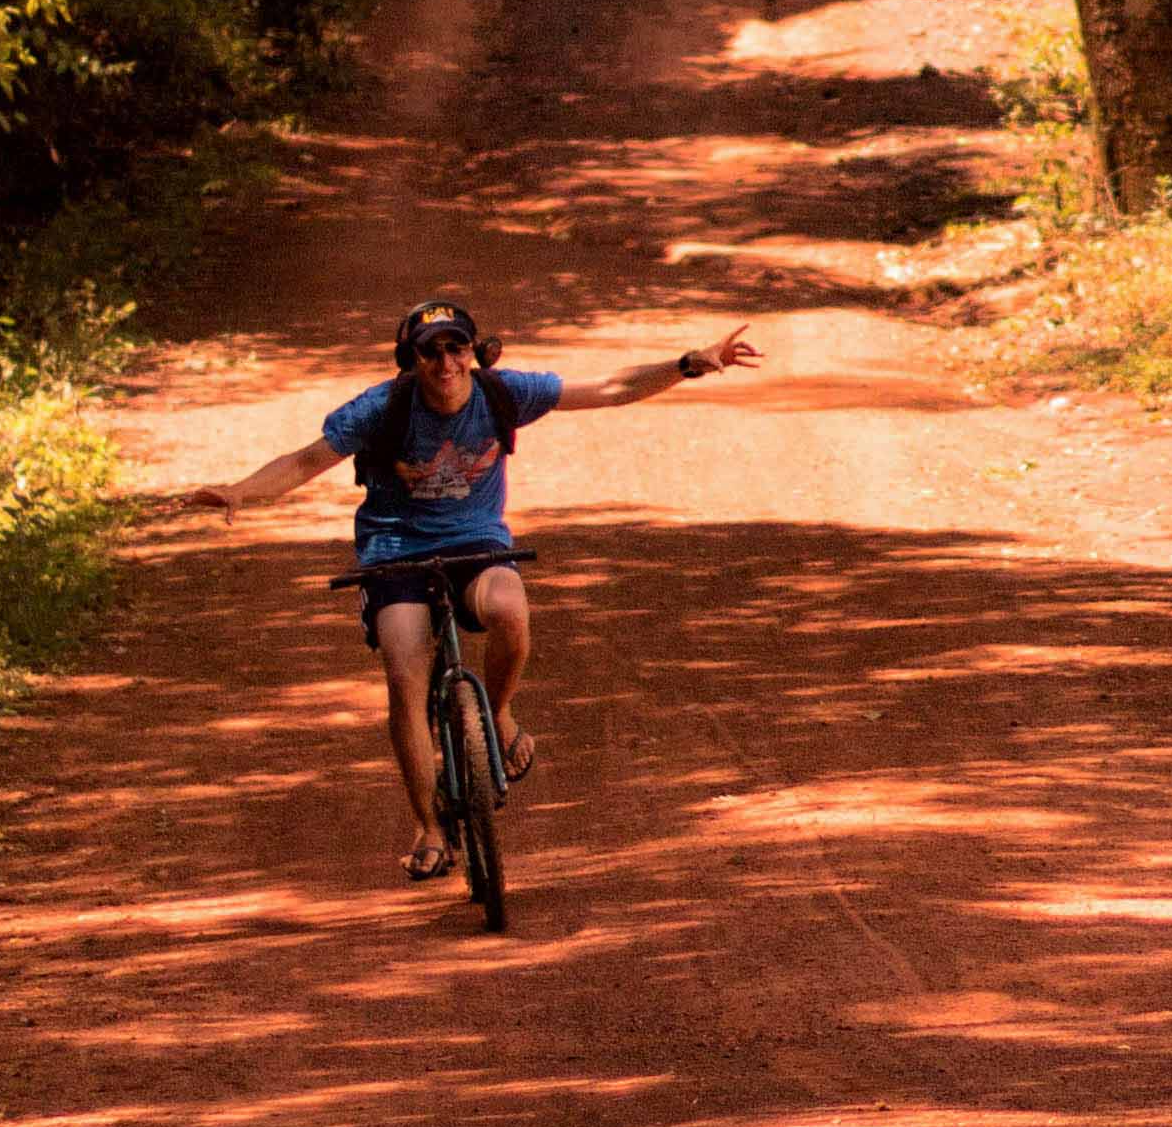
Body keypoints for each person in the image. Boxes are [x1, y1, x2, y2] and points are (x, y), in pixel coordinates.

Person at [186, 298, 760, 879]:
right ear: (411, 361)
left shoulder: (502, 393)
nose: (445, 363)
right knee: (403, 672)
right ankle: (430, 829)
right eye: (430, 352)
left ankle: (501, 714)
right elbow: (306, 460)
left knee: (510, 609)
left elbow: (610, 388)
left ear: (473, 353)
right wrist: (241, 491)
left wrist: (689, 363)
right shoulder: (382, 408)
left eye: (456, 348)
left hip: (475, 542)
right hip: (396, 550)